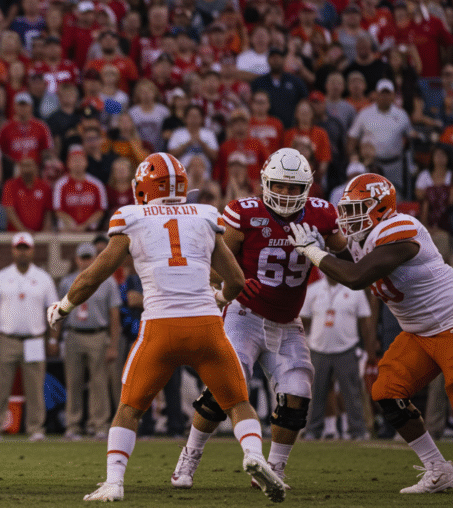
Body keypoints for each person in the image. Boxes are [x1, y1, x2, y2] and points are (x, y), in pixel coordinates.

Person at [47, 152, 285, 502]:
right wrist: (218, 297)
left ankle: (114, 482)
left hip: (160, 328)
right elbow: (235, 279)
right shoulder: (204, 214)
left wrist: (63, 306)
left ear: (143, 187)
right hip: (206, 325)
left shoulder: (132, 217)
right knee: (237, 401)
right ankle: (253, 455)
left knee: (129, 408)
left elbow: (95, 275)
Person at [173, 148, 347, 489]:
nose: (286, 194)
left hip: (288, 322)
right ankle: (190, 456)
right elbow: (209, 265)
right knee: (224, 387)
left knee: (298, 394)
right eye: (280, 186)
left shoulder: (323, 215)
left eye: (294, 188)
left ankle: (275, 468)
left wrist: (322, 250)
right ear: (267, 183)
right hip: (244, 315)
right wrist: (233, 282)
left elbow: (347, 258)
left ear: (307, 188)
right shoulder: (244, 213)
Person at [288, 173, 453, 493]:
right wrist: (322, 243)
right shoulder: (366, 239)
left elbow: (357, 276)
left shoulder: (399, 229)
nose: (348, 218)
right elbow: (351, 261)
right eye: (346, 210)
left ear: (380, 208)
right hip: (419, 333)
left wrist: (313, 252)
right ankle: (438, 468)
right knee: (386, 391)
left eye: (357, 209)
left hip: (450, 323)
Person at [0, 232, 58, 442]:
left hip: (34, 339)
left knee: (35, 387)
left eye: (26, 248)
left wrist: (52, 339)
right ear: (13, 250)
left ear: (32, 251)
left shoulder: (43, 278)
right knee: (0, 387)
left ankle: (36, 428)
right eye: (19, 248)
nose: (22, 252)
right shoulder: (1, 277)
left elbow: (53, 310)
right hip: (8, 338)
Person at [54, 242, 121, 441]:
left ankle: (99, 424)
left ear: (95, 258)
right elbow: (59, 312)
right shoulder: (67, 282)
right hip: (74, 334)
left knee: (99, 382)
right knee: (73, 381)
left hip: (98, 334)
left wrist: (113, 345)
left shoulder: (107, 282)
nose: (85, 262)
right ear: (76, 259)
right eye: (82, 258)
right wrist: (55, 338)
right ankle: (73, 425)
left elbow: (114, 315)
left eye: (89, 257)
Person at [299, 274, 375, 441]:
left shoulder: (355, 291)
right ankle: (313, 430)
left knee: (352, 393)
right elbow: (303, 320)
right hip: (318, 349)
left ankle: (359, 430)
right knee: (316, 393)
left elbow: (365, 321)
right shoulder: (313, 290)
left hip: (347, 348)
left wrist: (370, 350)